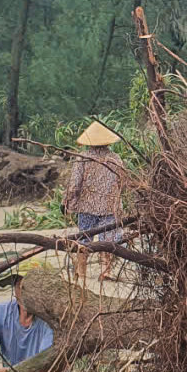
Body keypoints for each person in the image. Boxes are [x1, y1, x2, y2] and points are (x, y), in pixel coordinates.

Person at [64, 120, 124, 281]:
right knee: (108, 239)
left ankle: (81, 271)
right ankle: (106, 271)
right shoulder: (116, 158)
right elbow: (122, 182)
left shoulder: (82, 158)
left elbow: (75, 184)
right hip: (110, 206)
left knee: (84, 238)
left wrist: (68, 202)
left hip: (87, 206)